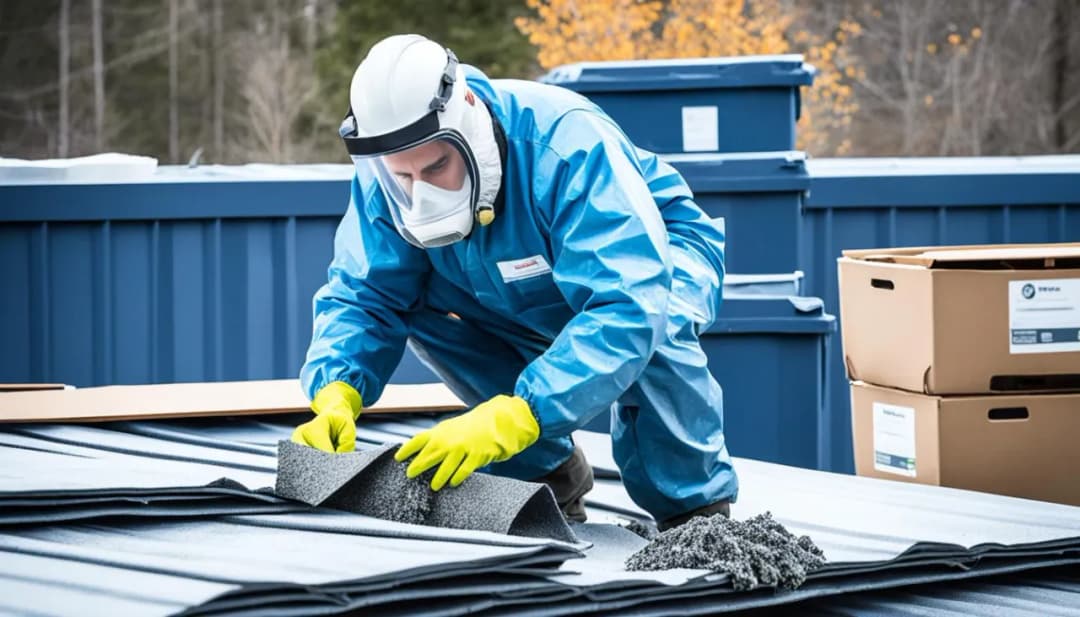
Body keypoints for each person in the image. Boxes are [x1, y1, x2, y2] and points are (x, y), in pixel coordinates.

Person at [292, 34, 737, 530]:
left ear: (465, 123)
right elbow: (366, 294)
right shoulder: (387, 180)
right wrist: (336, 390)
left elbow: (627, 304)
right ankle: (546, 472)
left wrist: (518, 415)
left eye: (437, 165)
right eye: (405, 176)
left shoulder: (567, 145)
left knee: (657, 323)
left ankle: (693, 511)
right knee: (413, 303)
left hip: (652, 252)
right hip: (505, 277)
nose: (422, 192)